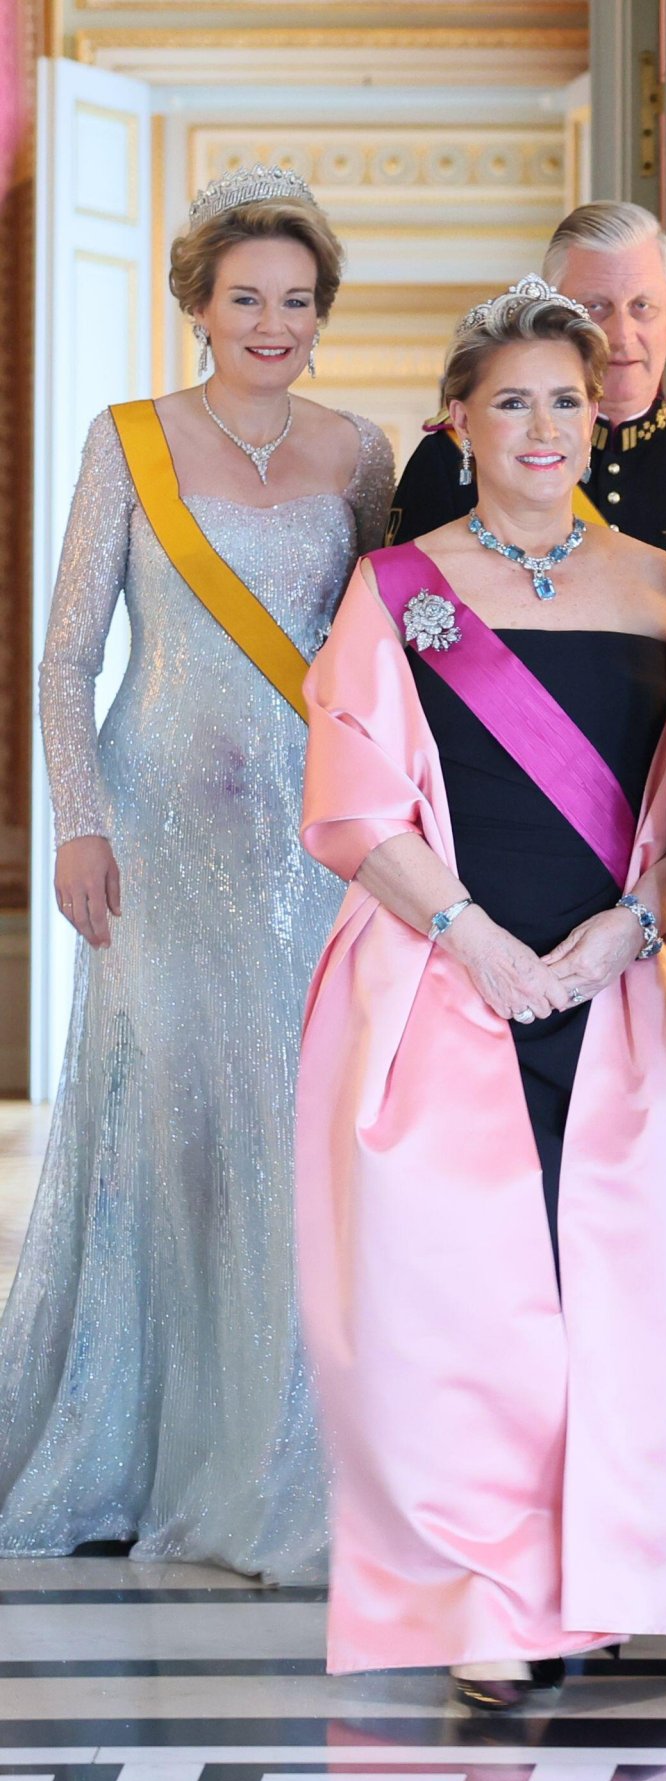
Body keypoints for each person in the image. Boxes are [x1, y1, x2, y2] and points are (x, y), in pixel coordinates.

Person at [295, 275, 666, 1709]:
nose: (545, 424)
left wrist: (632, 927)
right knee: (457, 1308)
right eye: (513, 401)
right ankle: (479, 1599)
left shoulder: (663, 587)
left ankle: (601, 1580)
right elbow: (354, 798)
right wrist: (478, 941)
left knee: (616, 1295)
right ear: (460, 422)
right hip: (444, 977)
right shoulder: (399, 587)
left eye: (566, 397)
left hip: (619, 985)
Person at [0, 165, 395, 1582]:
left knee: (289, 1132)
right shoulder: (130, 441)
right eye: (249, 299)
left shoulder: (363, 455)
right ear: (199, 306)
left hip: (307, 845)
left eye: (297, 301)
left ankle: (275, 1449)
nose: (273, 323)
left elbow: (384, 662)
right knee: (166, 1132)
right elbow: (63, 658)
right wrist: (79, 820)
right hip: (158, 838)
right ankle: (131, 1444)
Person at [385, 202, 666, 581]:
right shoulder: (453, 456)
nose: (621, 336)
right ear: (552, 313)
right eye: (595, 307)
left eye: (642, 306)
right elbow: (402, 608)